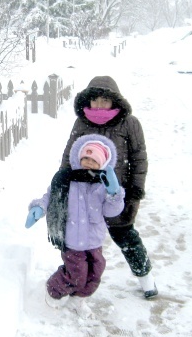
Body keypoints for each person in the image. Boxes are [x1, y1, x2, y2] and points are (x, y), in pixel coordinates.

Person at [60, 75, 157, 298]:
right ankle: (74, 281)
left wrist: (135, 189)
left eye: (105, 100)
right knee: (78, 240)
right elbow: (69, 154)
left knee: (126, 236)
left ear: (115, 101)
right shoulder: (81, 122)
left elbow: (139, 158)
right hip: (84, 195)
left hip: (116, 194)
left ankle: (146, 278)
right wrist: (63, 183)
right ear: (88, 101)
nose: (99, 105)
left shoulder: (129, 123)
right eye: (95, 100)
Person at [25, 134, 125, 313]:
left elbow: (112, 211)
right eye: (85, 158)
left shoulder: (104, 185)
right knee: (77, 273)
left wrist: (114, 194)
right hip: (73, 239)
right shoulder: (67, 179)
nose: (88, 162)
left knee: (95, 273)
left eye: (93, 160)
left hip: (94, 240)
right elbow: (50, 196)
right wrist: (39, 208)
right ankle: (52, 291)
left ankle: (78, 299)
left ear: (102, 163)